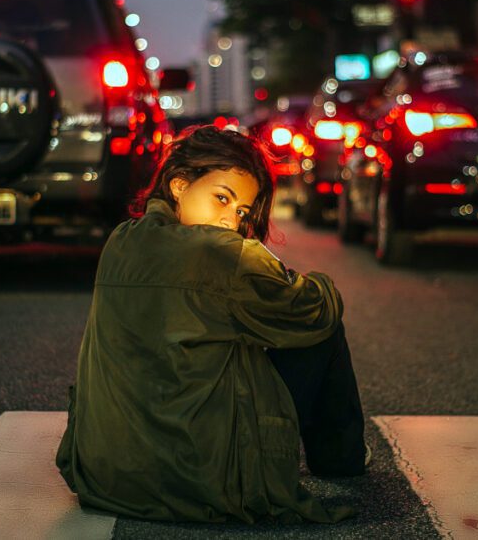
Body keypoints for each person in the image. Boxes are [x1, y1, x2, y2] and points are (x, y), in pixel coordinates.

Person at [56, 125, 367, 524]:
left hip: (105, 478)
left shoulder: (121, 238)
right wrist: (315, 281)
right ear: (180, 185)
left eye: (241, 212)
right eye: (222, 198)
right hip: (204, 481)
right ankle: (341, 461)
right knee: (322, 328)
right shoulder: (221, 252)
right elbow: (317, 309)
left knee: (243, 328)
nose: (230, 221)